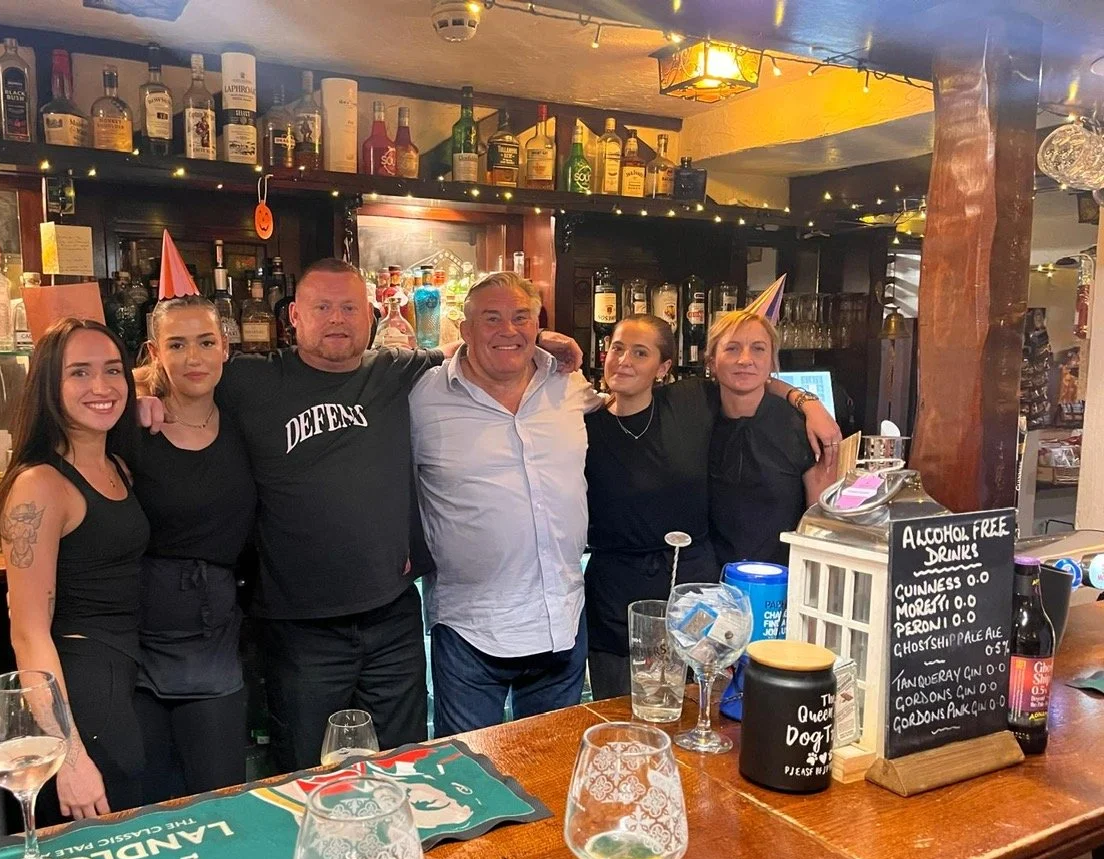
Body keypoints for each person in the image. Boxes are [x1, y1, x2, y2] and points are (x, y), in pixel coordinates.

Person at [140, 258, 582, 772]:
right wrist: (144, 395)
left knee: (408, 769)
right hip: (298, 624)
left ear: (370, 317)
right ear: (294, 318)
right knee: (309, 775)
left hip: (393, 617)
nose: (337, 319)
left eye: (349, 307)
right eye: (322, 307)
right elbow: (184, 371)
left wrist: (543, 337)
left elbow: (479, 344)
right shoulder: (250, 380)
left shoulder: (396, 372)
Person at [583, 314, 841, 700]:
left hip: (714, 590)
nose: (744, 359)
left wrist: (807, 400)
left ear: (663, 366)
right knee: (619, 710)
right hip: (617, 595)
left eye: (641, 352)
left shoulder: (693, 404)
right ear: (711, 361)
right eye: (618, 349)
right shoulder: (589, 422)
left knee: (701, 706)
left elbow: (820, 517)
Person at [410, 273, 599, 736]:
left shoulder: (570, 386)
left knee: (553, 771)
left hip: (563, 620)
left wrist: (797, 398)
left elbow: (642, 393)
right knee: (468, 777)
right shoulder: (421, 397)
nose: (507, 330)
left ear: (538, 325)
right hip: (469, 630)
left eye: (521, 318)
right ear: (464, 329)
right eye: (491, 318)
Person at [0, 317, 149, 819]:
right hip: (81, 692)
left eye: (113, 371)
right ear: (49, 388)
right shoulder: (40, 485)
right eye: (78, 373)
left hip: (123, 677)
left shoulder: (115, 465)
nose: (100, 387)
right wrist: (68, 756)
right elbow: (28, 634)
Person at [130, 295, 255, 802]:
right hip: (137, 641)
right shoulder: (132, 426)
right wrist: (134, 394)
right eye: (177, 345)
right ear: (155, 353)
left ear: (225, 347)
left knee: (221, 798)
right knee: (145, 807)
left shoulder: (245, 418)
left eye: (206, 342)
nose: (194, 358)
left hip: (217, 639)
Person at [706, 309, 836, 568]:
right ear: (710, 361)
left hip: (779, 583)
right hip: (707, 583)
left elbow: (821, 524)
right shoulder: (694, 414)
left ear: (773, 362)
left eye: (758, 349)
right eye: (732, 348)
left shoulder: (802, 429)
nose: (745, 359)